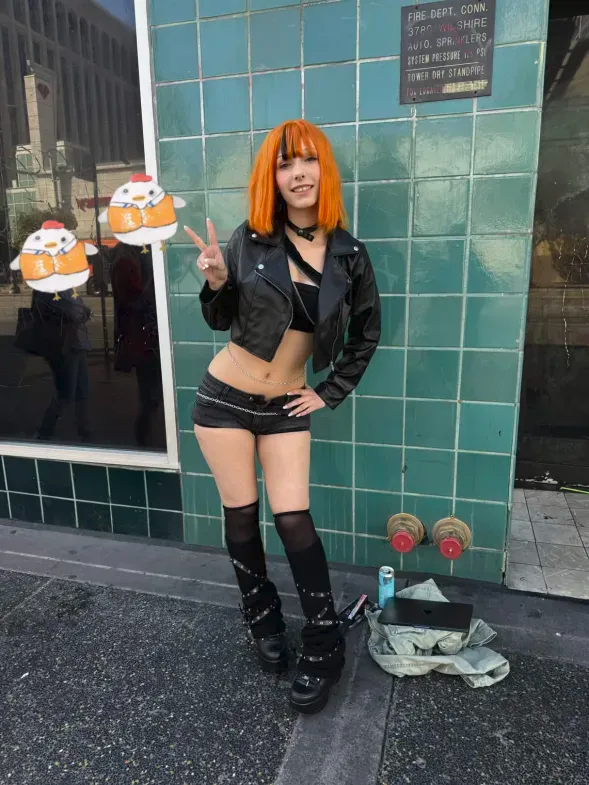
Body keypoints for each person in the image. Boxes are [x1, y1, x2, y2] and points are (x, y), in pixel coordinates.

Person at [185, 119, 381, 715]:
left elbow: (366, 333)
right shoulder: (249, 240)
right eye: (285, 163)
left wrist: (329, 391)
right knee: (242, 516)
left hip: (286, 408)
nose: (298, 173)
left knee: (294, 520)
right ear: (272, 177)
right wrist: (217, 282)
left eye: (308, 160)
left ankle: (323, 642)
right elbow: (221, 320)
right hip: (224, 400)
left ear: (324, 169)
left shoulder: (350, 255)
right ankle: (262, 617)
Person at [35, 289, 93, 442]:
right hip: (63, 346)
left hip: (77, 343)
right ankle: (46, 430)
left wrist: (82, 313)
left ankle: (83, 429)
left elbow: (79, 309)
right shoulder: (48, 289)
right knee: (66, 393)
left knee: (81, 390)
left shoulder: (67, 287)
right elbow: (66, 313)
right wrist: (78, 314)